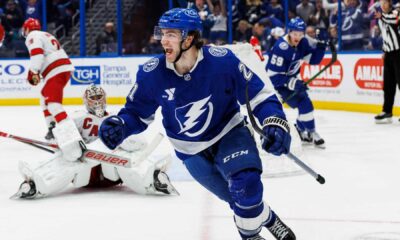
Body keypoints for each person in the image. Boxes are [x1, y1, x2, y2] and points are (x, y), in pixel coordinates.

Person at [99, 8, 295, 240]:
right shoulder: (151, 74)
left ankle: (249, 236)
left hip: (229, 133)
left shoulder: (222, 62)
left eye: (171, 34)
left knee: (246, 186)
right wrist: (120, 125)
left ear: (189, 38)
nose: (163, 39)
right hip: (190, 153)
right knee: (238, 201)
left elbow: (260, 95)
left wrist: (275, 122)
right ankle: (267, 217)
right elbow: (136, 113)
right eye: (162, 33)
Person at [12, 84, 178, 199]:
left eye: (99, 96)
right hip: (84, 167)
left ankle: (152, 181)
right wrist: (70, 144)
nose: (97, 101)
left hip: (111, 169)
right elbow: (62, 135)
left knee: (130, 159)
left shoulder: (116, 117)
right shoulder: (77, 117)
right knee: (66, 161)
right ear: (86, 100)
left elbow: (140, 143)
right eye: (93, 97)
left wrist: (122, 140)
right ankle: (37, 186)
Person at [23, 17, 84, 162]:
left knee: (54, 105)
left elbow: (37, 53)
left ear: (27, 29)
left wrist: (34, 71)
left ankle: (70, 136)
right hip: (60, 69)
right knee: (45, 98)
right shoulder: (46, 34)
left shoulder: (32, 36)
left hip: (55, 70)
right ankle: (51, 128)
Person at [266, 17, 326, 148]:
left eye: (300, 34)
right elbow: (272, 76)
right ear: (289, 32)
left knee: (306, 105)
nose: (297, 37)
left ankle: (305, 130)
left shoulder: (303, 43)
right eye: (294, 34)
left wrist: (321, 46)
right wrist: (292, 83)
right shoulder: (280, 48)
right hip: (278, 86)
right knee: (304, 104)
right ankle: (309, 132)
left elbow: (313, 60)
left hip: (290, 81)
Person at [374, 0, 400, 123]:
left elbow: (393, 20)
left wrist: (382, 16)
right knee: (388, 85)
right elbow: (386, 37)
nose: (383, 5)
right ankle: (387, 110)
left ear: (390, 4)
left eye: (385, 3)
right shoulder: (381, 18)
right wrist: (384, 50)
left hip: (398, 53)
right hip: (389, 54)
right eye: (381, 3)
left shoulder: (396, 12)